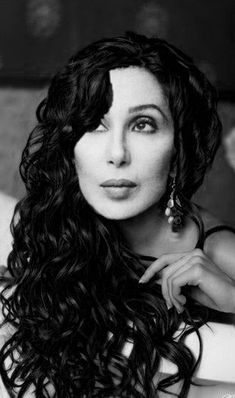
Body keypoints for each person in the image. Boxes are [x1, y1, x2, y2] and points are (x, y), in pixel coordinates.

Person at [0, 31, 235, 398]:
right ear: (70, 147)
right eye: (94, 123)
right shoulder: (61, 221)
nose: (117, 153)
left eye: (143, 125)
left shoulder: (220, 252)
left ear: (178, 151)